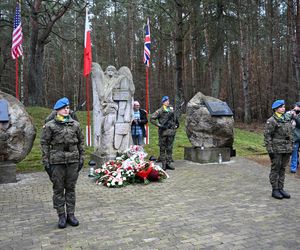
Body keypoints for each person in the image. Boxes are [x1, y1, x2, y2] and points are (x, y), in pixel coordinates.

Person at [41, 97, 84, 228]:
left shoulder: (75, 124)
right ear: (57, 110)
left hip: (73, 160)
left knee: (70, 188)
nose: (67, 110)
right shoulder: (50, 126)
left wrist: (81, 158)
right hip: (57, 161)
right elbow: (44, 143)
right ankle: (61, 215)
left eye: (67, 108)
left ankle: (71, 214)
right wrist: (46, 161)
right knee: (58, 189)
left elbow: (81, 142)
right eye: (64, 108)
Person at [264, 99, 293, 199]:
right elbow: (267, 136)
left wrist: (291, 145)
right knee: (275, 169)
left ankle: (281, 188)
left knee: (283, 169)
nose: (283, 108)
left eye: (284, 107)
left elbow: (290, 133)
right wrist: (270, 150)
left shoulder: (287, 119)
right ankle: (275, 189)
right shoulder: (272, 121)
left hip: (287, 148)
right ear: (276, 109)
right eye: (281, 107)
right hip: (276, 149)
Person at [150, 96, 179, 170]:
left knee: (169, 148)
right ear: (163, 102)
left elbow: (175, 119)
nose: (168, 102)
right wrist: (159, 125)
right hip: (163, 132)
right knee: (162, 148)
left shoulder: (171, 110)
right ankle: (163, 164)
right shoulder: (160, 111)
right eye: (166, 101)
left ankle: (168, 163)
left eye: (168, 101)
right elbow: (152, 118)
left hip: (171, 132)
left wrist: (176, 124)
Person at [289, 102, 300, 173]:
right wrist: (291, 114)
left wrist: (295, 116)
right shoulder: (290, 113)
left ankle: (296, 162)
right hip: (295, 137)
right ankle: (293, 167)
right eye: (296, 106)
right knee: (294, 152)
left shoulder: (295, 116)